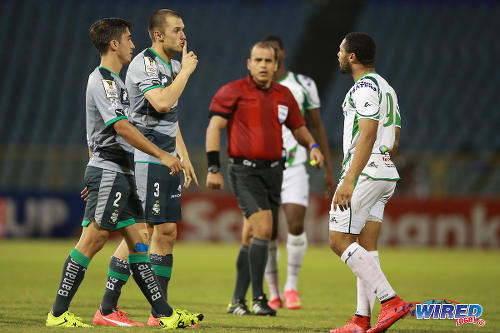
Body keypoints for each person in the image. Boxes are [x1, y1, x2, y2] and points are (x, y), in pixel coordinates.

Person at [46, 18, 200, 329]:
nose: (132, 43)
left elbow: (102, 129)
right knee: (94, 239)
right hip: (111, 169)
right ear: (114, 44)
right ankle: (58, 314)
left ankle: (163, 315)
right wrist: (161, 154)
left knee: (139, 242)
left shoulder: (115, 82)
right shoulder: (103, 81)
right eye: (128, 39)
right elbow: (120, 128)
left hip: (119, 171)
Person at [90, 9, 201, 328]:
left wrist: (183, 153)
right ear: (158, 35)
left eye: (184, 29)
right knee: (142, 231)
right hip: (144, 158)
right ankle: (108, 307)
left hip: (166, 158)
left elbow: (171, 116)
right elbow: (162, 102)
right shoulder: (145, 63)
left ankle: (158, 314)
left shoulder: (174, 64)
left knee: (165, 231)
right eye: (177, 29)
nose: (183, 35)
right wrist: (187, 72)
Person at [205, 41, 324, 316]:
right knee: (264, 228)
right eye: (257, 60)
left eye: (267, 61)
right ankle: (260, 298)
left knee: (251, 234)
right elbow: (214, 128)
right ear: (249, 63)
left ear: (275, 65)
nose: (262, 65)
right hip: (245, 171)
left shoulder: (284, 95)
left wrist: (313, 147)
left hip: (275, 171)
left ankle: (237, 301)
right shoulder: (232, 91)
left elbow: (299, 127)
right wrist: (213, 168)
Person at [328, 32, 409, 333]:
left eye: (340, 50)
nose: (337, 55)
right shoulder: (388, 89)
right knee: (366, 245)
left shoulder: (363, 87)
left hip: (365, 171)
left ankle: (391, 301)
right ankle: (361, 320)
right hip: (385, 170)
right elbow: (395, 139)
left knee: (339, 242)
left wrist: (350, 179)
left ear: (352, 57)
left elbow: (368, 133)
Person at [259, 35, 335, 311]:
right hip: (263, 167)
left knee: (295, 224)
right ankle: (273, 291)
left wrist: (327, 167)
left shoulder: (303, 84)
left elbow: (316, 126)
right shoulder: (255, 86)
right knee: (267, 231)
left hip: (294, 166)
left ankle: (291, 286)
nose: (271, 58)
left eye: (274, 52)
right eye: (265, 54)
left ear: (283, 53)